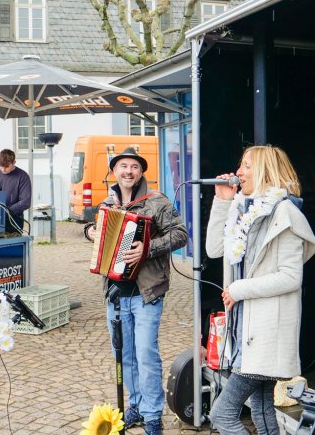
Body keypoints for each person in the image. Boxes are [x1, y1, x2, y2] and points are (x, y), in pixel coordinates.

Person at [206, 145, 315, 435]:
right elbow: (213, 249)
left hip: (266, 332)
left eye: (247, 165)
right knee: (261, 408)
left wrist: (240, 288)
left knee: (222, 414)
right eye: (240, 165)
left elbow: (291, 278)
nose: (239, 172)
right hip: (244, 328)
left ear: (265, 171)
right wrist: (221, 203)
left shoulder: (285, 213)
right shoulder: (241, 209)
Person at [99, 147, 187, 435]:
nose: (128, 171)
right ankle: (134, 406)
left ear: (140, 172)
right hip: (115, 293)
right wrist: (90, 230)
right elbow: (95, 230)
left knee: (146, 354)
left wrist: (147, 249)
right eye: (123, 166)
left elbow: (180, 234)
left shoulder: (156, 201)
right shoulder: (107, 203)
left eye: (134, 166)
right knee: (124, 356)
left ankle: (152, 416)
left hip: (147, 292)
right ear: (115, 170)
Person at [0, 149, 32, 233]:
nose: (3, 169)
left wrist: (6, 212)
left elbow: (25, 202)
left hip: (13, 223)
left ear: (14, 163)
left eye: (6, 167)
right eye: (1, 166)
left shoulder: (23, 177)